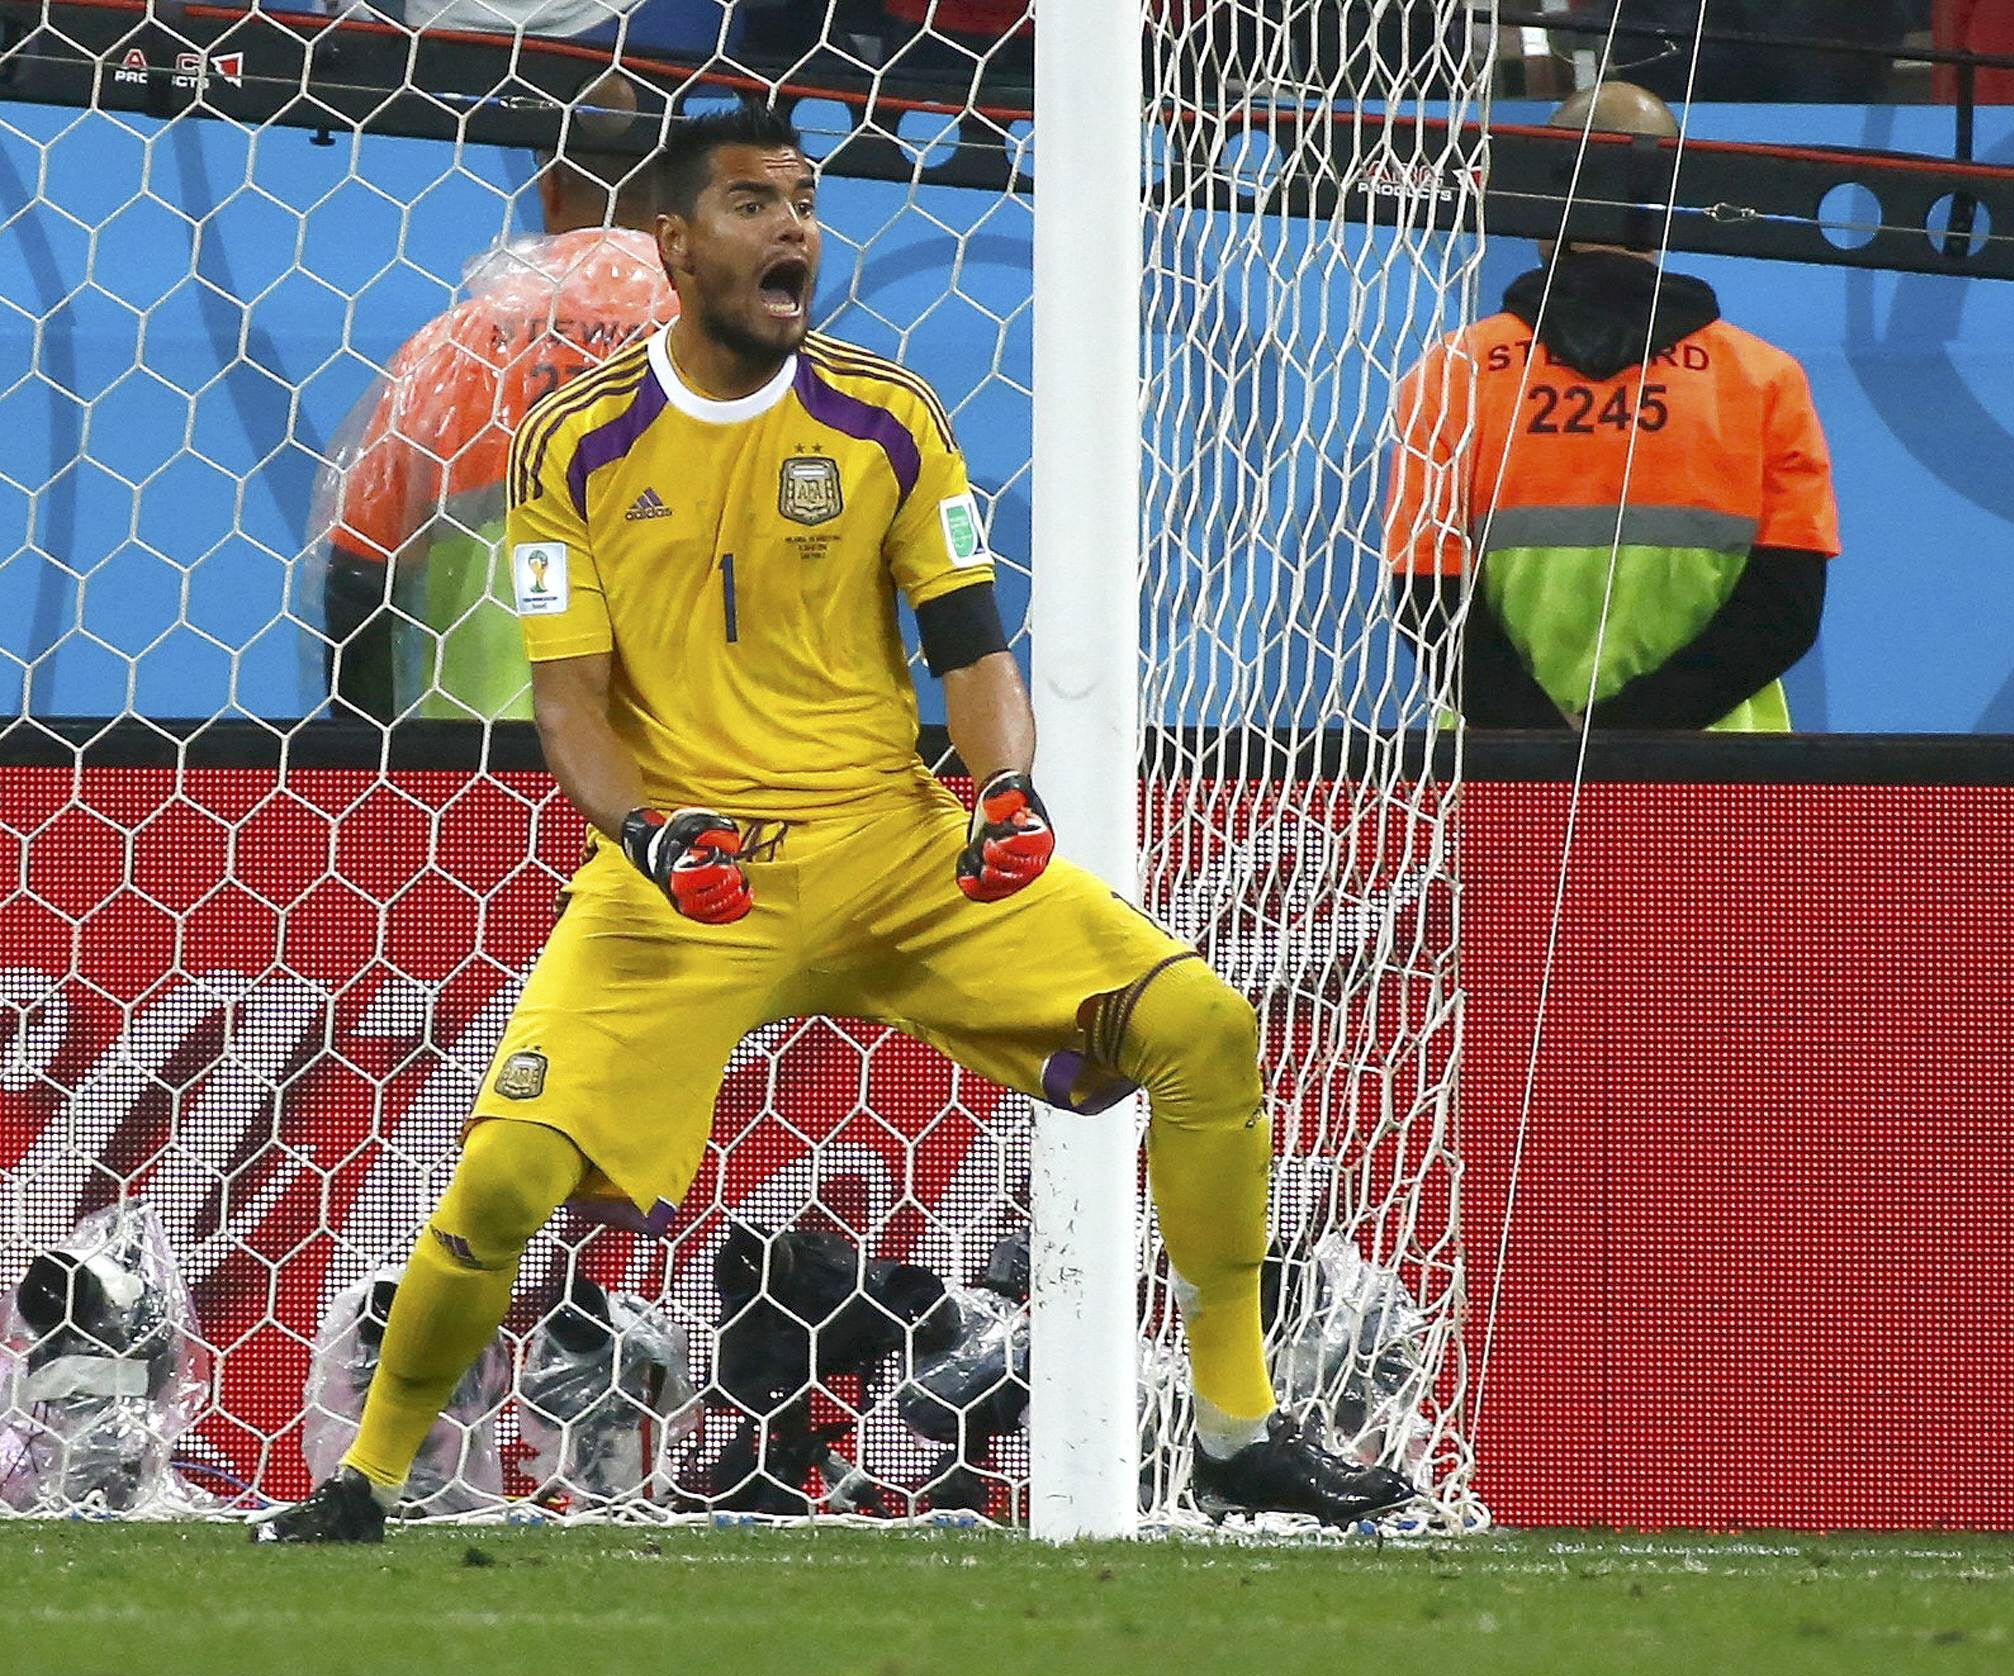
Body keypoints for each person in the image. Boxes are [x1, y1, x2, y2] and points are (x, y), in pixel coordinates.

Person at [262, 101, 1413, 1542]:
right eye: (755, 203)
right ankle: (364, 1482)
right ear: (675, 245)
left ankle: (1237, 1431)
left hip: (891, 849)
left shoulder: (887, 419)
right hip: (688, 875)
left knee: (1203, 1031)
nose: (795, 225)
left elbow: (975, 655)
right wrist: (651, 836)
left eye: (805, 199)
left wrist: (1001, 790)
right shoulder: (575, 443)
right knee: (502, 1179)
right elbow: (571, 710)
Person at [1386, 82, 1838, 732]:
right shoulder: (1766, 379)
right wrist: (1631, 736)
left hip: (1501, 774)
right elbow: (1785, 609)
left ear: (1545, 201)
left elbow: (1426, 599)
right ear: (1669, 205)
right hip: (1713, 775)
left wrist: (1542, 743)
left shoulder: (1455, 372)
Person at [321, 75, 674, 722]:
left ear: (548, 188)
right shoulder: (728, 346)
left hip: (482, 776)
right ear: (678, 202)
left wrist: (365, 762)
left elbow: (356, 580)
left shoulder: (450, 348)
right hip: (695, 775)